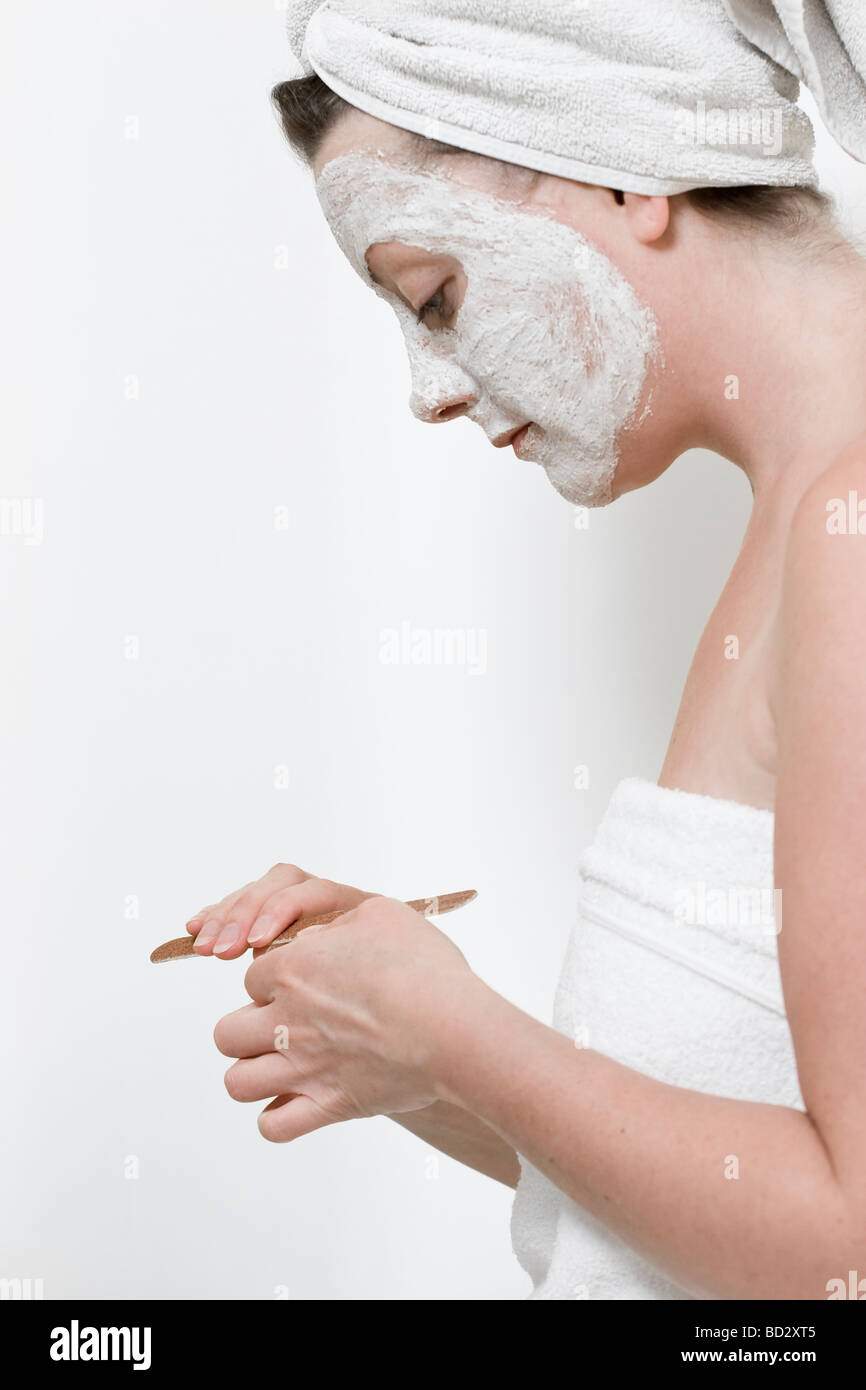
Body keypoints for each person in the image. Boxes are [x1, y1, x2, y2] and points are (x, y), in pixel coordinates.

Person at [187, 2, 866, 1298]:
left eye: (432, 295)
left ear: (614, 168)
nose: (427, 386)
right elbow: (726, 1197)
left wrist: (465, 1038)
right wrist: (414, 1047)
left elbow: (846, 1252)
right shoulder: (792, 527)